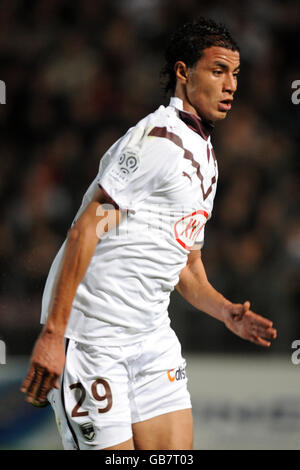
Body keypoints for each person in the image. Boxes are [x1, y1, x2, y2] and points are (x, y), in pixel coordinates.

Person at [21, 17, 277, 450]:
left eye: (235, 74)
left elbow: (188, 269)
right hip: (93, 336)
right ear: (183, 72)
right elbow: (87, 229)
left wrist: (225, 311)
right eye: (218, 71)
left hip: (151, 337)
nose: (231, 84)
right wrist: (52, 335)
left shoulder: (207, 160)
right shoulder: (159, 140)